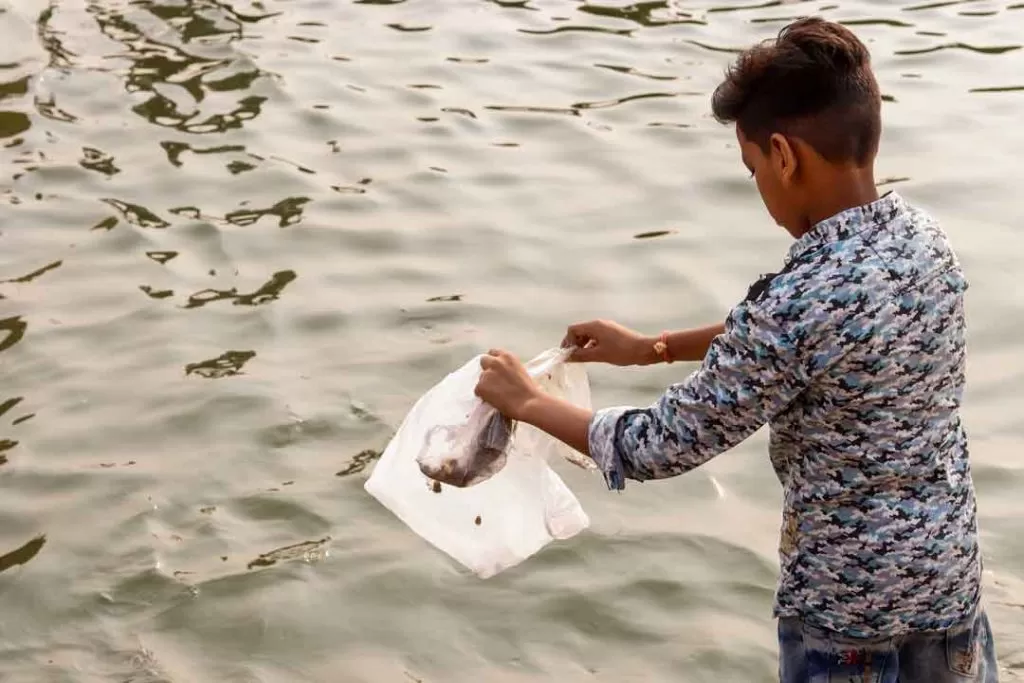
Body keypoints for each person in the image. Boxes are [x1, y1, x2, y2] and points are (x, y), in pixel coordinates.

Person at [473, 16, 999, 683]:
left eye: (753, 168)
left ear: (783, 155)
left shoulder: (796, 303)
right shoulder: (925, 242)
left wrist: (529, 401)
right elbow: (817, 339)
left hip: (847, 621)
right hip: (949, 582)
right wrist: (651, 349)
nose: (760, 187)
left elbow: (660, 442)